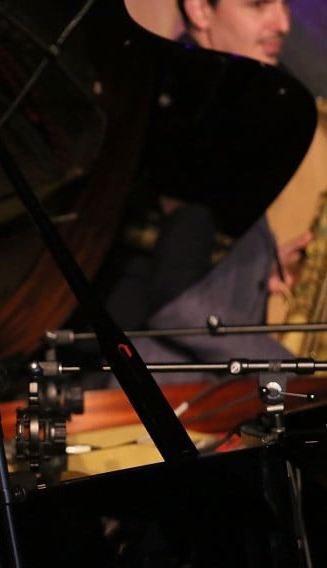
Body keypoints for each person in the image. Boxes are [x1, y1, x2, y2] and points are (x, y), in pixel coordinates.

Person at [98, 0, 309, 379]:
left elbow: (178, 251)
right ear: (199, 9)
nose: (282, 23)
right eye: (258, 4)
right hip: (156, 408)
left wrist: (259, 268)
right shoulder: (181, 113)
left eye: (284, 4)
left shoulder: (216, 109)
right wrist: (300, 372)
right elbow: (176, 302)